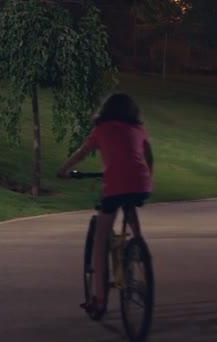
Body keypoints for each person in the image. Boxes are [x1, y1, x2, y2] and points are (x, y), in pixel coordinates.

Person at [57, 93, 153, 313]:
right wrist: (149, 177)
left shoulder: (101, 129)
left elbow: (81, 154)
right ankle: (138, 246)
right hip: (141, 184)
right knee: (130, 203)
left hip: (116, 185)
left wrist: (63, 170)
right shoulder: (138, 130)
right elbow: (148, 155)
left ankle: (99, 299)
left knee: (100, 239)